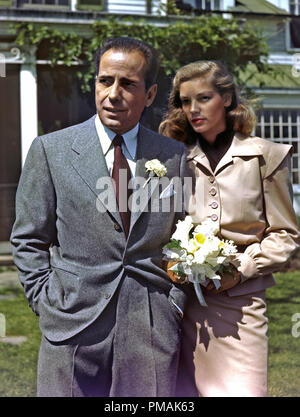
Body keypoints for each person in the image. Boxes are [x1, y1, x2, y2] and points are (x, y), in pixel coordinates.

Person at [10, 37, 188, 397]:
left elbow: (182, 238)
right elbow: (28, 239)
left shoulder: (174, 156)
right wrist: (46, 301)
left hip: (149, 327)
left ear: (150, 94)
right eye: (105, 81)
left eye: (128, 84)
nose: (113, 94)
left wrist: (173, 305)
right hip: (71, 323)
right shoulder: (50, 150)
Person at [159, 60, 300, 397]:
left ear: (226, 98)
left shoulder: (266, 157)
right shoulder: (173, 160)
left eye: (203, 98)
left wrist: (244, 268)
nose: (193, 109)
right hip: (182, 307)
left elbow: (286, 235)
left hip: (241, 308)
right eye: (185, 101)